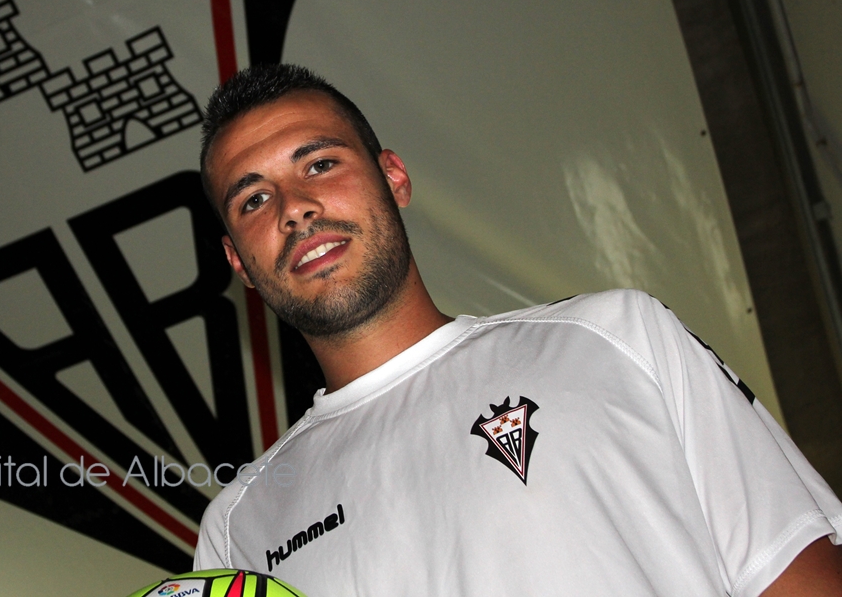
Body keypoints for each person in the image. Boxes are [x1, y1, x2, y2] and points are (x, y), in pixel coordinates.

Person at [191, 64, 842, 596]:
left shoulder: (619, 337)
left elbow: (801, 581)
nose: (295, 209)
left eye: (319, 165)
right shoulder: (237, 531)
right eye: (254, 199)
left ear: (395, 178)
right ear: (238, 263)